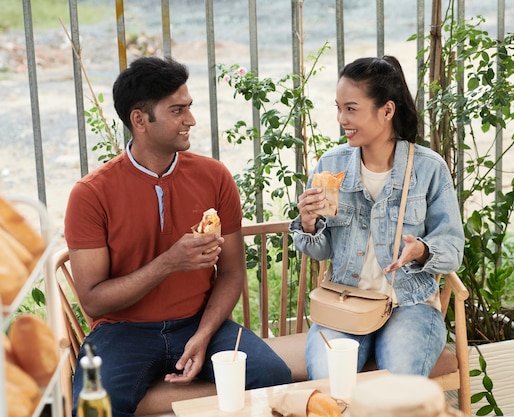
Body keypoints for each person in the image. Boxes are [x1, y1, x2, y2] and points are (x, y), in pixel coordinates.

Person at [64, 56, 292, 416]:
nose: (191, 120)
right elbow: (93, 301)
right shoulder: (91, 194)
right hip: (123, 331)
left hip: (200, 322)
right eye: (177, 110)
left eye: (189, 107)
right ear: (139, 120)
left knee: (274, 376)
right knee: (94, 408)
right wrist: (169, 262)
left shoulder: (215, 177)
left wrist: (203, 335)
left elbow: (231, 272)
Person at [290, 56, 464, 379]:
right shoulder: (331, 165)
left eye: (351, 108)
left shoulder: (428, 169)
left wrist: (423, 251)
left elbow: (453, 249)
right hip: (345, 302)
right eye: (338, 108)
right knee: (331, 386)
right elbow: (320, 250)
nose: (342, 118)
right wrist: (309, 222)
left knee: (397, 390)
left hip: (409, 305)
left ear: (386, 111)